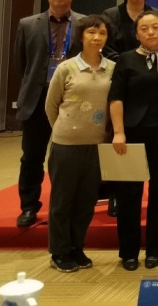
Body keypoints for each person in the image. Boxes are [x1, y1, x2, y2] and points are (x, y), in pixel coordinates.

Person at [109, 11, 158, 270]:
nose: (150, 32)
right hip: (132, 133)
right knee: (129, 193)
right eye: (144, 29)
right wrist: (118, 132)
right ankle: (129, 252)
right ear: (137, 34)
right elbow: (116, 97)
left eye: (155, 27)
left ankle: (155, 249)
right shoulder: (126, 59)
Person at [13, 0, 84, 228]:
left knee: (71, 156)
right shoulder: (27, 24)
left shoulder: (85, 23)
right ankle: (29, 206)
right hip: (37, 97)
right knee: (32, 156)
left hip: (72, 97)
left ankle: (70, 204)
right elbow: (21, 63)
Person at [45, 14, 113, 272]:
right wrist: (67, 130)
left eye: (102, 33)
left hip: (96, 145)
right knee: (62, 202)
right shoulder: (67, 68)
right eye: (91, 32)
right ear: (81, 36)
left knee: (86, 202)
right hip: (66, 145)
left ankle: (77, 247)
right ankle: (59, 251)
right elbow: (51, 106)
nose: (97, 37)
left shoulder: (112, 69)